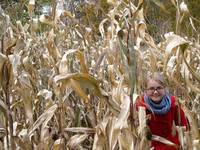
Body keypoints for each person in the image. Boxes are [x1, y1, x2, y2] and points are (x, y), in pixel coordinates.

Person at [136, 72, 188, 150]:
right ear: (146, 91)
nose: (155, 92)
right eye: (151, 89)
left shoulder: (173, 103)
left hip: (171, 145)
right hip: (150, 146)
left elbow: (184, 127)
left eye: (159, 88)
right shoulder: (141, 106)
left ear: (164, 89)